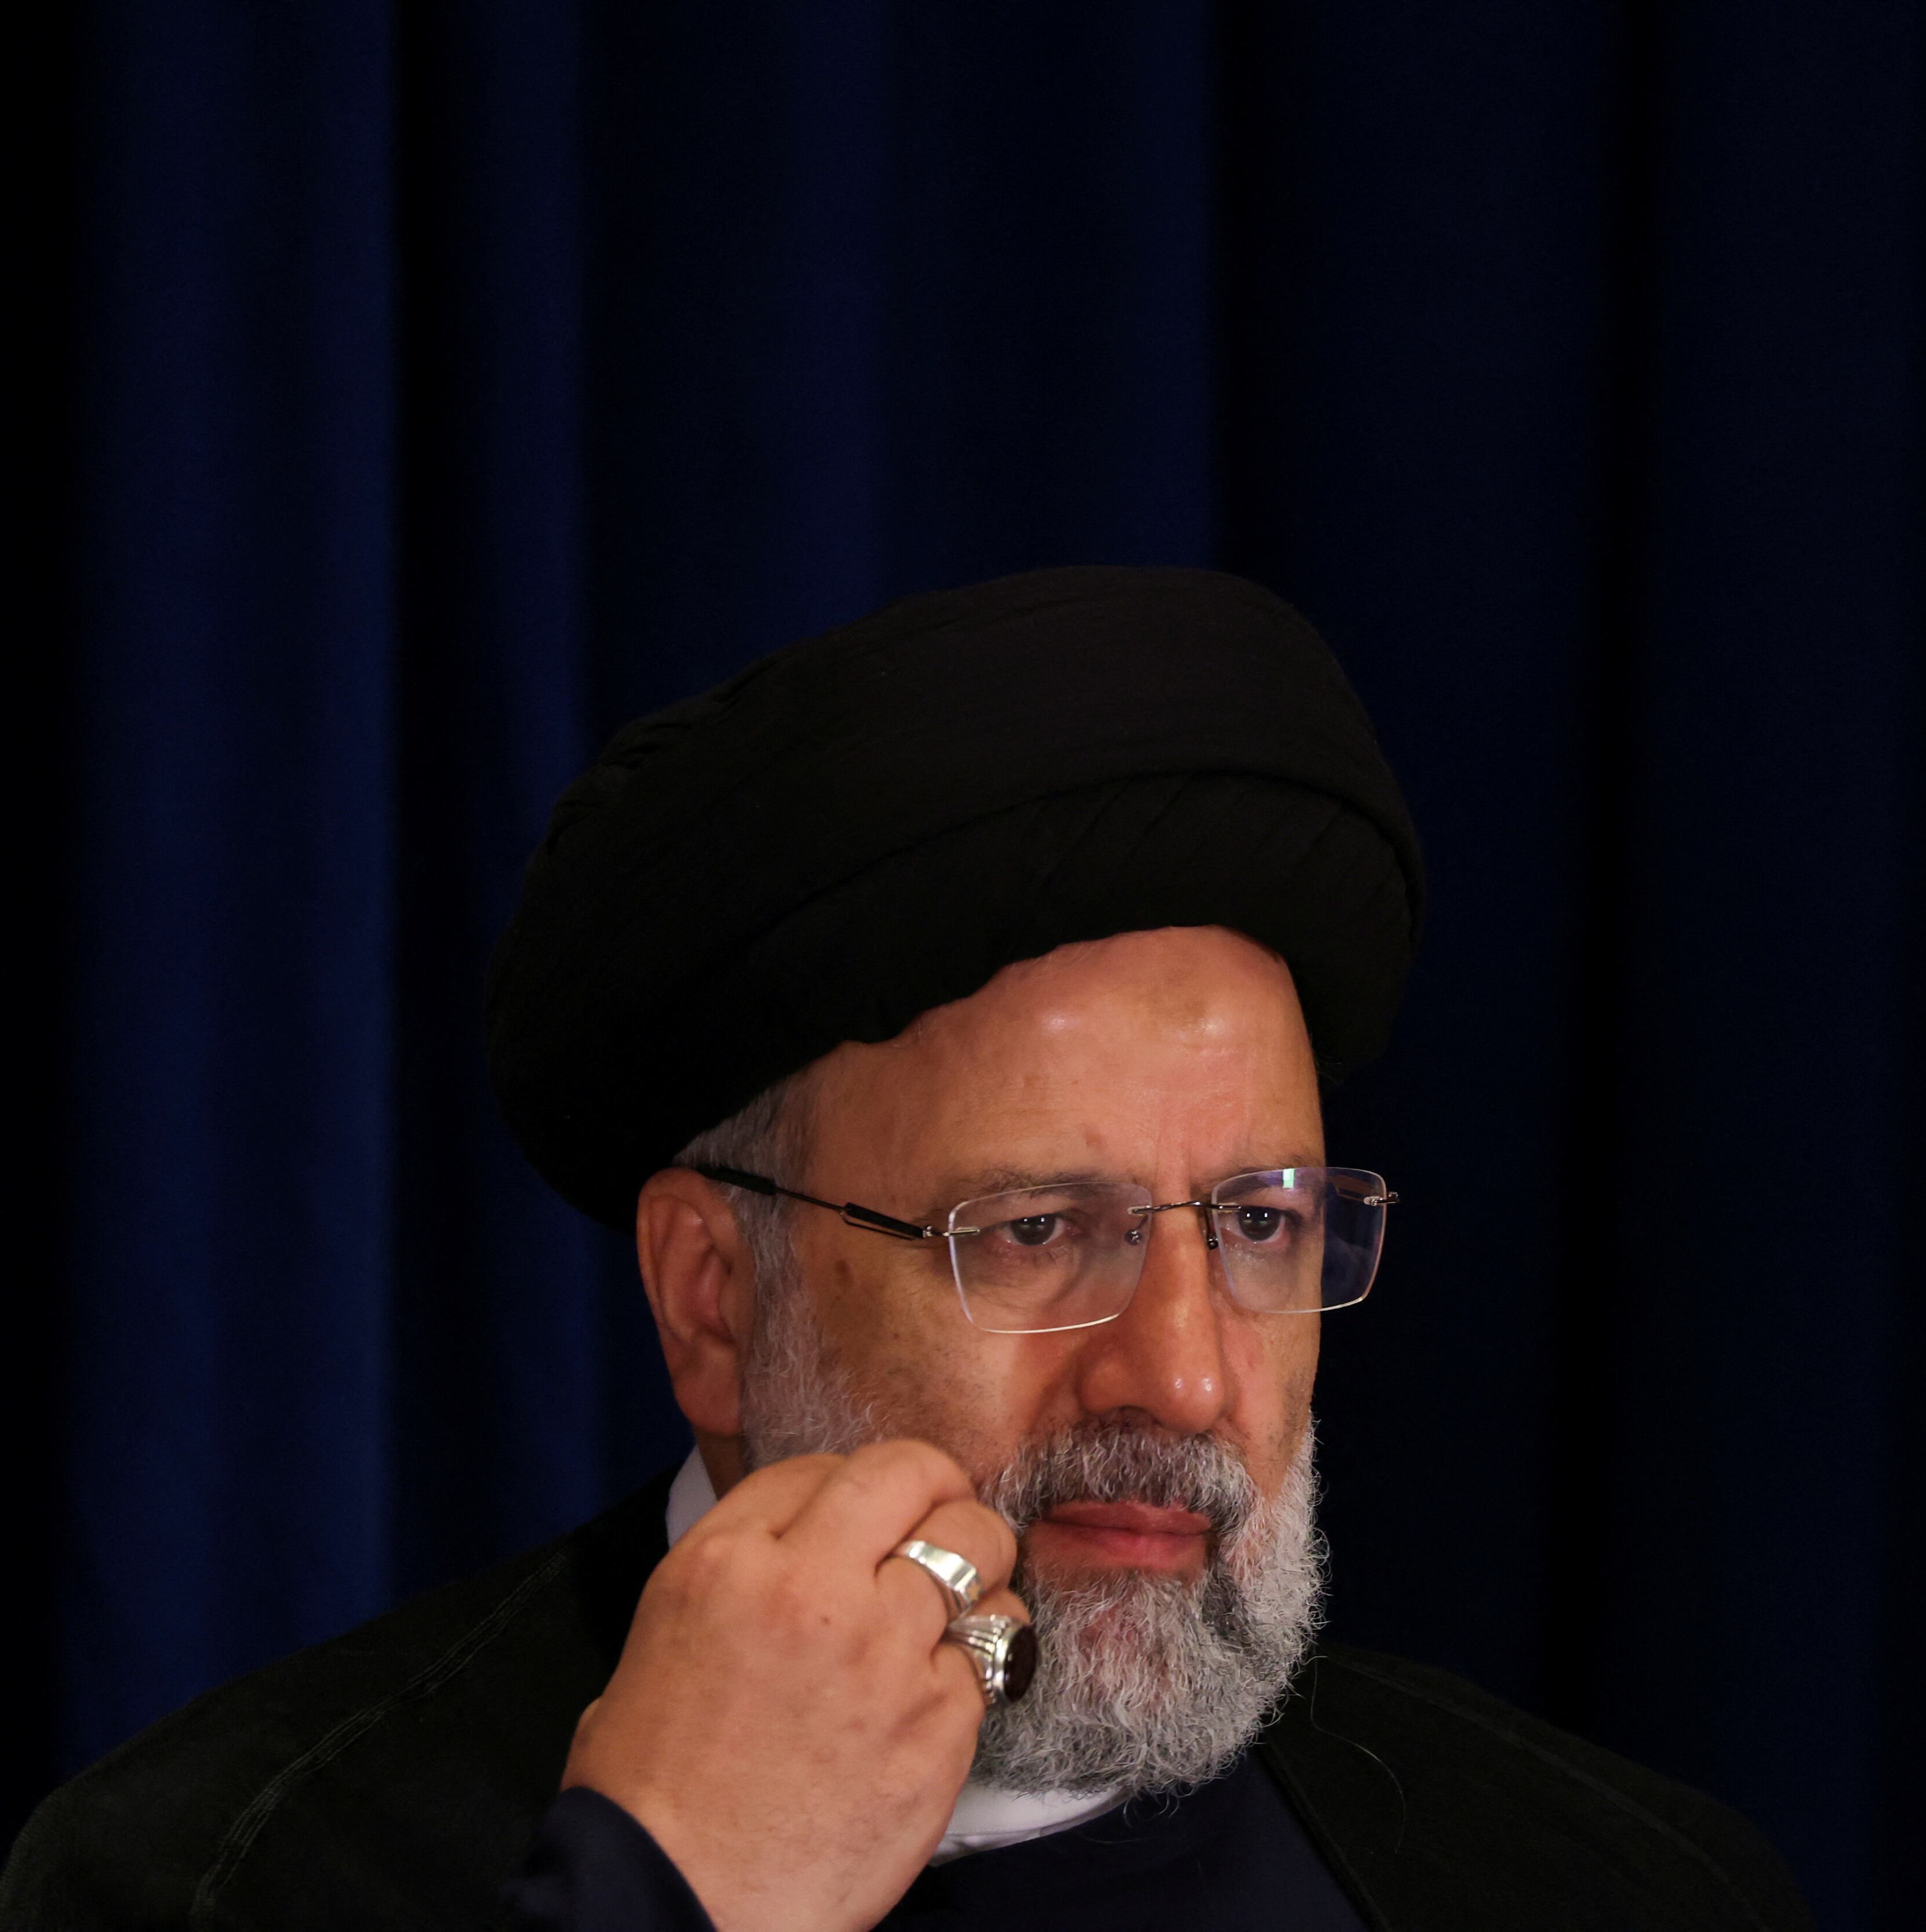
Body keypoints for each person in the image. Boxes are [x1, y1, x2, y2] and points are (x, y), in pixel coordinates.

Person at [1, 567, 1811, 1931]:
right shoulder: (213, 1884)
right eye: (1038, 1232)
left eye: (1258, 1225)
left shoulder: (1624, 1891)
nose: (1184, 1374)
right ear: (714, 1298)